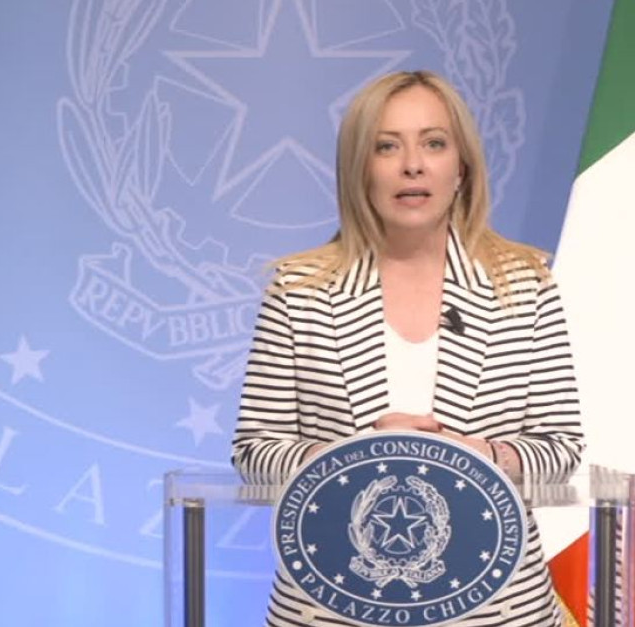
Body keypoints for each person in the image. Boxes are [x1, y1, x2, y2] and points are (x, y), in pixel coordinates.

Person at [232, 70, 585, 627]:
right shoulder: (299, 290)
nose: (413, 165)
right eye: (387, 146)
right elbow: (255, 453)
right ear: (359, 169)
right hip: (333, 608)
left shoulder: (524, 284)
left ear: (461, 167)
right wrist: (356, 457)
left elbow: (561, 448)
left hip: (497, 612)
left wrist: (482, 457)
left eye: (434, 143)